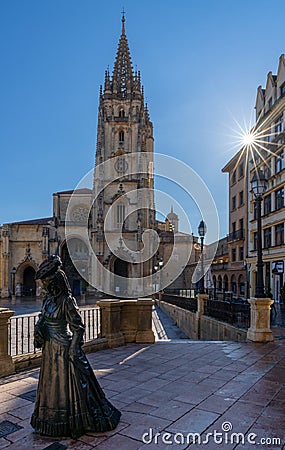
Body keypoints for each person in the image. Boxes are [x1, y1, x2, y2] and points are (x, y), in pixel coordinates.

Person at [31, 255, 121, 438]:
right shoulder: (48, 300)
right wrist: (39, 329)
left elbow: (78, 327)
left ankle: (74, 422)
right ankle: (51, 421)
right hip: (50, 350)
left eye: (47, 283)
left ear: (55, 283)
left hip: (64, 349)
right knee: (51, 387)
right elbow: (43, 318)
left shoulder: (66, 301)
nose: (44, 287)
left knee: (70, 388)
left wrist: (73, 348)